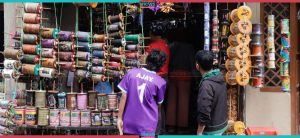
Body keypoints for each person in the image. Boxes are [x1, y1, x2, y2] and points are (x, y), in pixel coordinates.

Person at [117, 49, 167, 137]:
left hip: (129, 124)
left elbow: (123, 96)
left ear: (147, 60)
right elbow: (159, 106)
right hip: (148, 126)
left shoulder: (131, 73)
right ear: (161, 66)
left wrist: (119, 118)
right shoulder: (160, 82)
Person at [166, 28, 195, 134]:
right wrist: (195, 77)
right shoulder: (189, 47)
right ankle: (181, 128)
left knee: (171, 101)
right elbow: (192, 64)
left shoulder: (171, 46)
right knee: (183, 101)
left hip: (173, 74)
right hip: (185, 75)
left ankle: (171, 126)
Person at [145, 20, 170, 134]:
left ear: (153, 34)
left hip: (154, 79)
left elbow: (145, 62)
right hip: (164, 79)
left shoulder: (152, 46)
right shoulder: (166, 45)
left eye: (150, 33)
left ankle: (155, 131)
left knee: (153, 107)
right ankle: (161, 130)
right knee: (161, 105)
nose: (149, 35)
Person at [195, 50, 228, 135]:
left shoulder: (206, 85)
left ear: (197, 66)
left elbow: (204, 111)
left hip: (212, 129)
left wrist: (199, 133)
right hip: (222, 124)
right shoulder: (220, 76)